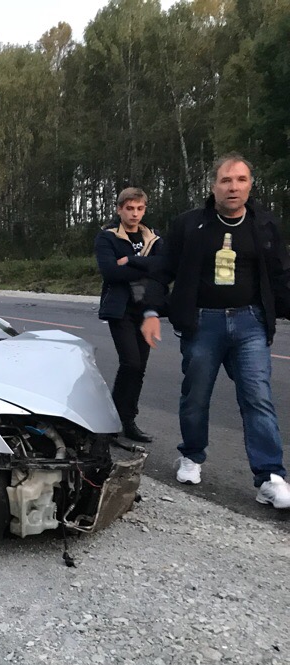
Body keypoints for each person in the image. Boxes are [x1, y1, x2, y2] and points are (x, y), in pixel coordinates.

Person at [141, 152, 290, 509]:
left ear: (250, 185)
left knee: (257, 397)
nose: (233, 187)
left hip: (250, 322)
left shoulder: (265, 226)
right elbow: (162, 269)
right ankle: (192, 456)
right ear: (213, 186)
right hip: (202, 322)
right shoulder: (190, 225)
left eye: (240, 180)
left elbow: (281, 277)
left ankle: (270, 477)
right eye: (226, 180)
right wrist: (149, 309)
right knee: (196, 396)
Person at [94, 187, 163, 443]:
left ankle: (128, 422)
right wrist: (145, 267)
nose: (135, 214)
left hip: (145, 309)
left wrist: (130, 261)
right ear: (119, 209)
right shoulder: (107, 237)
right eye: (129, 208)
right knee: (130, 363)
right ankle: (111, 421)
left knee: (139, 368)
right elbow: (111, 273)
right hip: (120, 309)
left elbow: (163, 267)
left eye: (140, 208)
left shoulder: (152, 237)